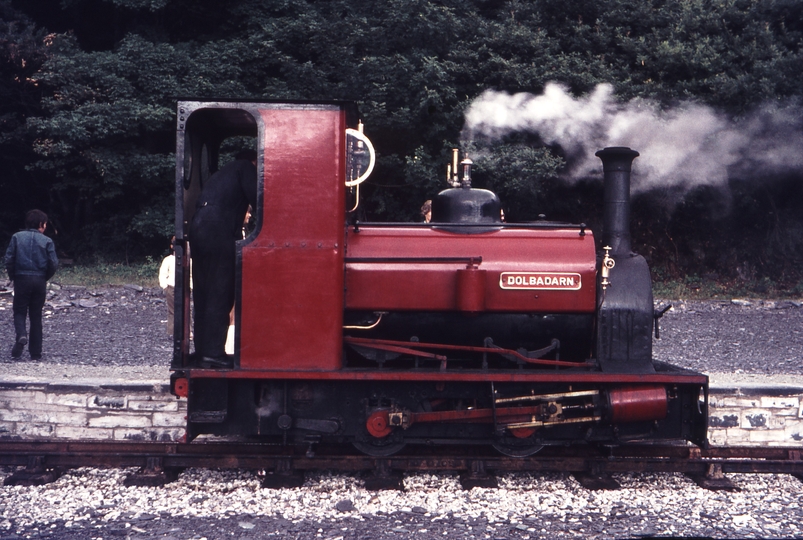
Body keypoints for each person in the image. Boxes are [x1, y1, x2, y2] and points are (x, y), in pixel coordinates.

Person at [189, 149, 257, 368]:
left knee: (204, 291)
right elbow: (260, 200)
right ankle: (213, 354)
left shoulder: (221, 174)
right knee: (221, 290)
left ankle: (203, 351)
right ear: (254, 161)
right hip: (218, 230)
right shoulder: (246, 168)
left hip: (199, 228)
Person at [4, 209, 59, 360]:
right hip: (39, 280)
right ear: (41, 224)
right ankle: (36, 353)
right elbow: (53, 263)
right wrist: (44, 277)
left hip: (21, 278)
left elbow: (9, 259)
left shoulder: (16, 237)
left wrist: (13, 276)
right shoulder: (47, 241)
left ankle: (21, 334)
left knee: (19, 311)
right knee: (36, 315)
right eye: (45, 224)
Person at [159, 237, 176, 336]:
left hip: (185, 289)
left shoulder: (188, 260)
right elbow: (163, 273)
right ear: (172, 246)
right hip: (171, 287)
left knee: (188, 310)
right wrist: (165, 286)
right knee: (172, 310)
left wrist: (190, 287)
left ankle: (188, 331)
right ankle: (171, 332)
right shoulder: (168, 260)